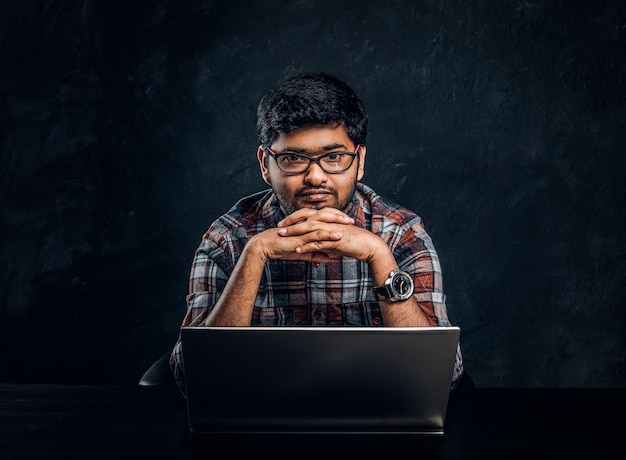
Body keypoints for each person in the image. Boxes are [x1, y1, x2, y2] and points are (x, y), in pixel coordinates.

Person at [170, 72, 463, 394]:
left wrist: (380, 257)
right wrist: (254, 256)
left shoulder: (400, 233)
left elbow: (442, 376)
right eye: (293, 158)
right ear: (265, 164)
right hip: (260, 418)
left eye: (334, 157)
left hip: (373, 414)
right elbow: (194, 380)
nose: (315, 176)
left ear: (359, 160)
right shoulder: (226, 238)